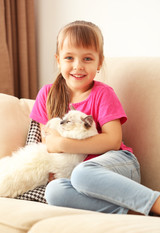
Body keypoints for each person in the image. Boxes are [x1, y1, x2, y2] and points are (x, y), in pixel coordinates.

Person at [29, 20, 160, 215]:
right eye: (69, 58)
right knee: (54, 192)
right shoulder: (47, 95)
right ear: (58, 60)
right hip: (83, 181)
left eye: (87, 59)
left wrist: (63, 144)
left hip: (117, 165)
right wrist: (57, 145)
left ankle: (156, 202)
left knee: (83, 173)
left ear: (99, 62)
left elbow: (112, 141)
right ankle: (135, 210)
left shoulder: (102, 93)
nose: (78, 66)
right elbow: (49, 145)